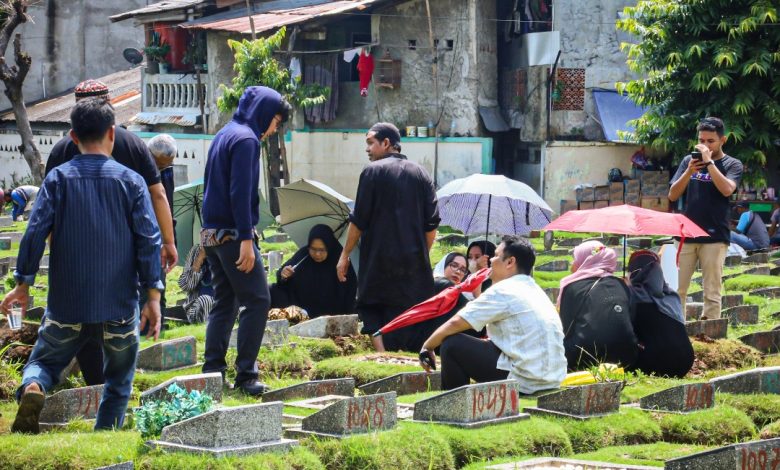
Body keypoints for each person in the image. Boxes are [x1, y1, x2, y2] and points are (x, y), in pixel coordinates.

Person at [0, 98, 162, 434]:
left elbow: (34, 232)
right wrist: (153, 297)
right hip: (118, 305)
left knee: (44, 362)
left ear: (73, 137)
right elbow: (149, 240)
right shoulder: (131, 181)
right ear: (112, 134)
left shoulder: (57, 179)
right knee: (118, 378)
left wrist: (23, 285)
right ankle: (105, 436)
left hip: (66, 304)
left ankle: (34, 387)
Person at [46, 79, 178, 386]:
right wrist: (168, 242)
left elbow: (48, 209)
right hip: (124, 252)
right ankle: (117, 383)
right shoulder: (132, 144)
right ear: (111, 108)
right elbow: (158, 194)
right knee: (121, 314)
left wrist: (57, 249)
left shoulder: (62, 149)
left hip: (77, 253)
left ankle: (96, 383)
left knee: (86, 318)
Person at [200, 86, 291, 396]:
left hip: (212, 233)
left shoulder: (226, 132)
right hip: (231, 234)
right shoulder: (247, 140)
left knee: (226, 301)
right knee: (258, 299)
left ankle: (212, 371)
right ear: (266, 114)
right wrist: (245, 239)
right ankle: (246, 375)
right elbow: (240, 193)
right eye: (276, 121)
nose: (274, 129)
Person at [337, 122, 440, 352]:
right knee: (410, 311)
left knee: (371, 307)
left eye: (371, 143)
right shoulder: (421, 173)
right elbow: (431, 223)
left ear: (387, 143)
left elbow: (359, 220)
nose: (367, 149)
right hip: (413, 261)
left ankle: (382, 354)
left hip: (378, 259)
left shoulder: (372, 172)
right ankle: (409, 355)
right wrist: (422, 253)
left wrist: (344, 255)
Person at [419, 236, 567, 393]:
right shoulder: (537, 292)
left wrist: (428, 346)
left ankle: (453, 406)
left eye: (496, 255)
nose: (491, 260)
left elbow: (456, 323)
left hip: (523, 380)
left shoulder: (504, 289)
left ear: (510, 262)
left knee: (451, 344)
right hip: (552, 379)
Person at [669, 117, 743, 319]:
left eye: (710, 141)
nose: (705, 146)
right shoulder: (688, 161)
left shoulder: (732, 164)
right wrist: (688, 172)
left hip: (715, 237)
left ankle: (710, 337)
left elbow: (727, 189)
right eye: (701, 141)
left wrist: (709, 162)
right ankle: (676, 333)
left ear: (723, 140)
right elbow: (672, 195)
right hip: (685, 235)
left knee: (711, 293)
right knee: (676, 290)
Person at [557, 241, 636, 370]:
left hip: (584, 358)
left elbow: (566, 328)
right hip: (626, 357)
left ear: (586, 260)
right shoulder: (622, 285)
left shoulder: (572, 287)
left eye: (576, 259)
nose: (572, 263)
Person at [626, 250, 694, 378]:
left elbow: (626, 332)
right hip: (685, 363)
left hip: (654, 364)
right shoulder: (672, 295)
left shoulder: (632, 295)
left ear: (633, 271)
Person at [270, 224, 357, 318]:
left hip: (333, 312)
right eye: (313, 249)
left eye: (322, 250)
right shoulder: (304, 255)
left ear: (329, 247)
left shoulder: (340, 259)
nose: (317, 254)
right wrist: (284, 275)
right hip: (303, 308)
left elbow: (350, 289)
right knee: (271, 290)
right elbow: (282, 278)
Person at [141, 134, 179, 331]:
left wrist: (170, 239)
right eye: (159, 165)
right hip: (142, 233)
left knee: (160, 280)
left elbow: (168, 204)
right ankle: (141, 324)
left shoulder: (167, 172)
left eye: (167, 165)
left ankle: (159, 323)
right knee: (142, 285)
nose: (162, 168)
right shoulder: (139, 170)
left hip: (161, 236)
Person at [178, 244, 215, 324]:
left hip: (224, 306)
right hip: (199, 307)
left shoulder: (231, 250)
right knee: (205, 301)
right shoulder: (197, 250)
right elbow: (185, 285)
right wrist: (199, 259)